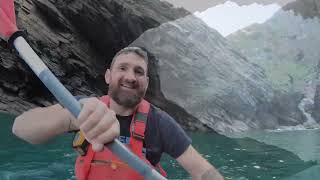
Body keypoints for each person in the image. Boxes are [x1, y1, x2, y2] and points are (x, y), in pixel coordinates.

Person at [12, 47, 224, 180]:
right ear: (108, 76)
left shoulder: (160, 123)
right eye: (123, 68)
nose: (130, 77)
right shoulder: (82, 109)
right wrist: (71, 118)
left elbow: (203, 171)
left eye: (139, 72)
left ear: (146, 83)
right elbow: (20, 128)